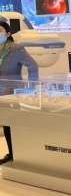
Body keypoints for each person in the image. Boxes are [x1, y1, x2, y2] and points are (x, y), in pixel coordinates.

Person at [0, 21, 39, 165]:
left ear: (7, 34)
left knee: (11, 124)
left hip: (12, 93)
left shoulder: (16, 48)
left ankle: (15, 154)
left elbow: (33, 66)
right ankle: (12, 153)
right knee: (5, 124)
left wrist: (31, 87)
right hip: (0, 93)